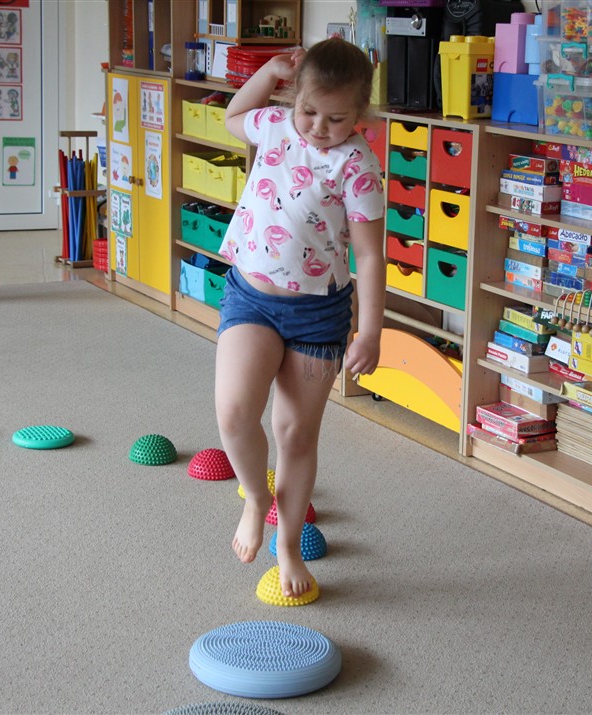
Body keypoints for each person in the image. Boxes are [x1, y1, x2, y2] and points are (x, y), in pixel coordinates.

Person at [215, 38, 385, 598]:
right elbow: (232, 116)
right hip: (251, 297)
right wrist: (268, 73)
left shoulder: (356, 164)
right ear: (295, 98)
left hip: (318, 314)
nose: (319, 128)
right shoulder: (272, 126)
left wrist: (370, 331)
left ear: (359, 115)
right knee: (235, 413)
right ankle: (255, 497)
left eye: (337, 119)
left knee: (294, 433)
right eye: (309, 111)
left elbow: (369, 257)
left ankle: (287, 543)